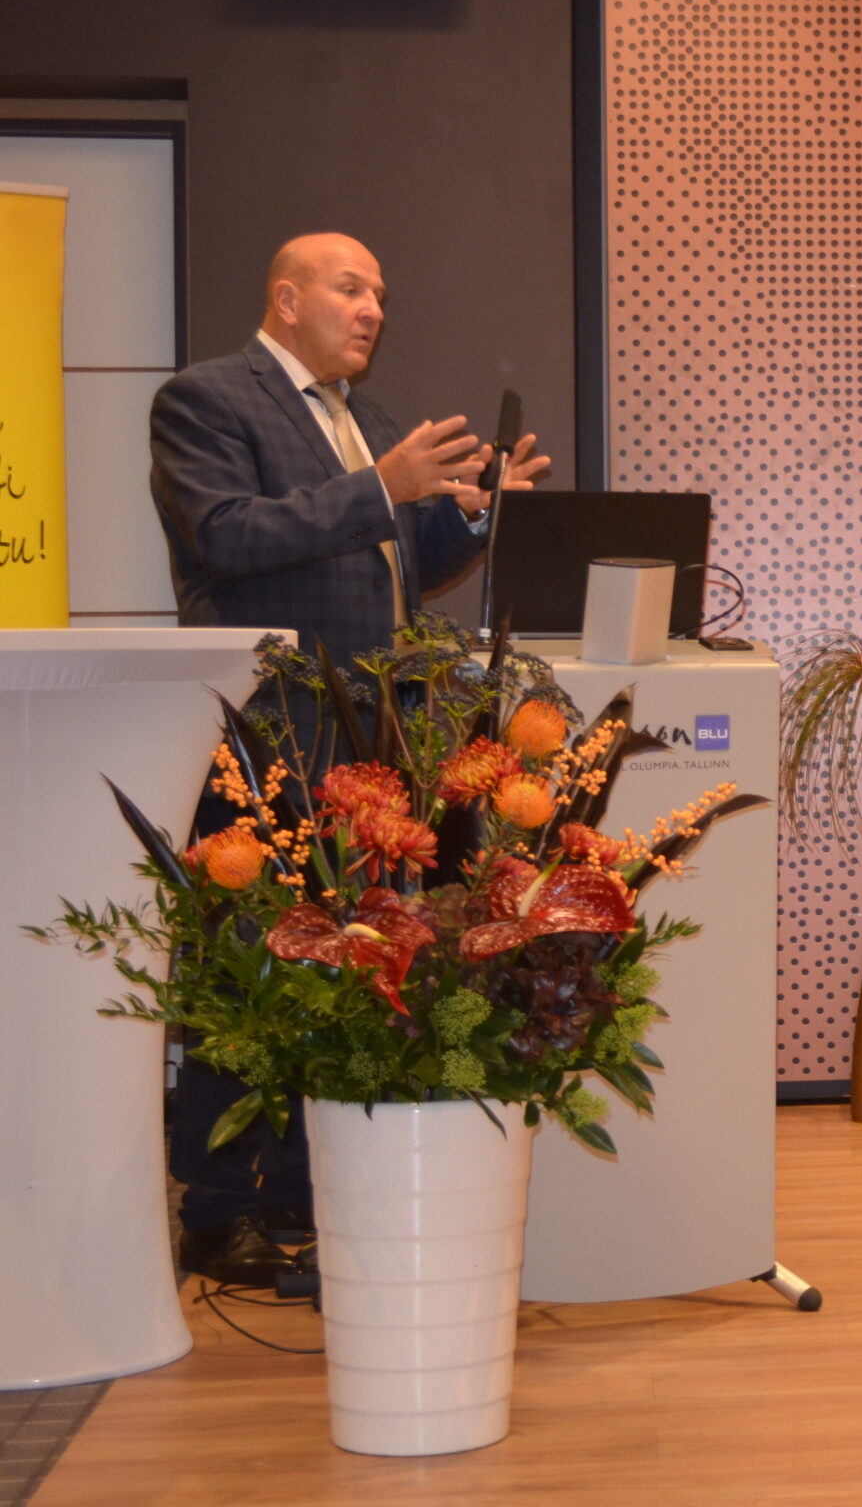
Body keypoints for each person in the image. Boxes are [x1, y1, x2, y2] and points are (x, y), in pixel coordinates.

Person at [147, 232, 552, 1285]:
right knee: (248, 964)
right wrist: (381, 486)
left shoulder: (366, 424)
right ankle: (219, 1208)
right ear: (287, 299)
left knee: (346, 965)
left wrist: (472, 516)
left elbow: (402, 565)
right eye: (351, 288)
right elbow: (226, 535)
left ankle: (305, 1187)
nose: (374, 308)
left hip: (372, 744)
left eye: (380, 294)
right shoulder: (205, 400)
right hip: (268, 731)